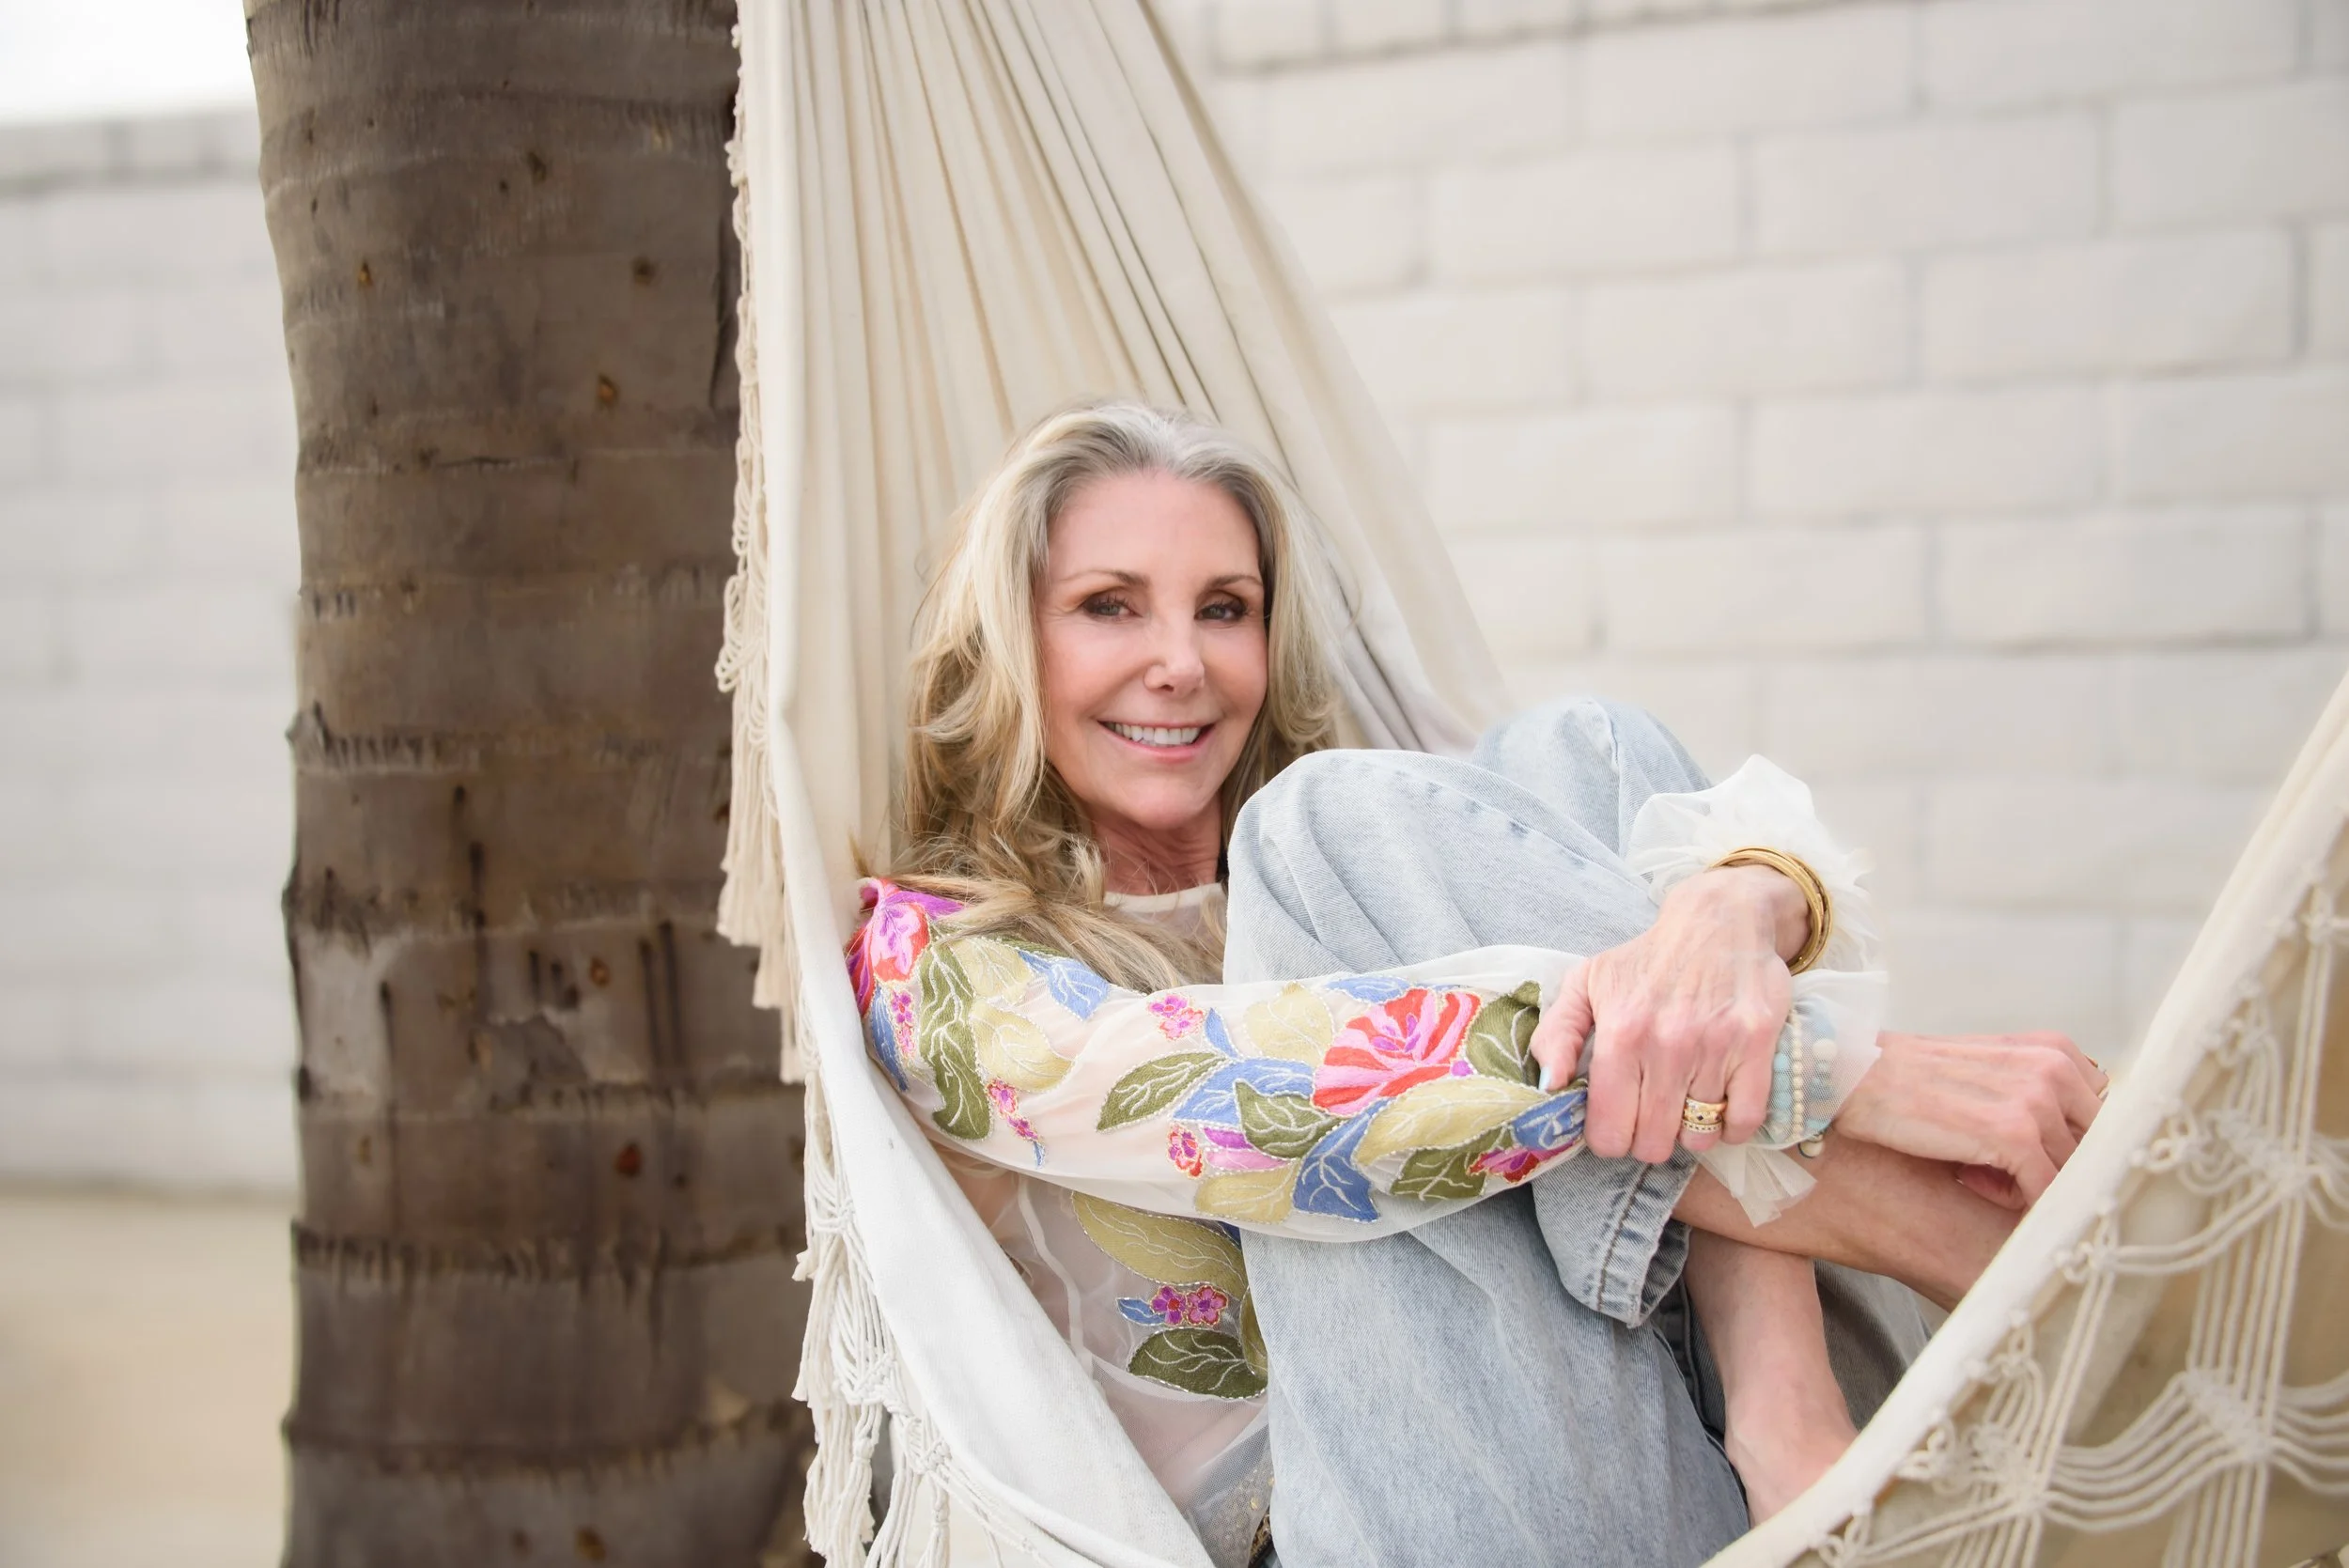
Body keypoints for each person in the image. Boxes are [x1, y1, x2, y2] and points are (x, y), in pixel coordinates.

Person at [848, 400, 2108, 1568]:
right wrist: (1845, 1073)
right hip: (1398, 1521)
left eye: (1225, 608)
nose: (1180, 661)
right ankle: (1937, 1241)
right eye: (1110, 606)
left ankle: (1790, 1413)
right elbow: (1285, 1107)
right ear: (1009, 639)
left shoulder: (1355, 882)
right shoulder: (934, 969)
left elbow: (1650, 836)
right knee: (1327, 829)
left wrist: (1739, 903)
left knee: (1580, 748)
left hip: (1660, 1441)